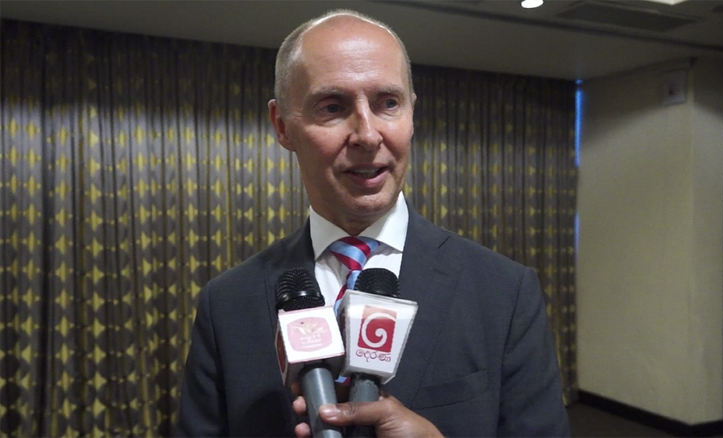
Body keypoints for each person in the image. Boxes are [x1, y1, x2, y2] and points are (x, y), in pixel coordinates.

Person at [176, 9, 570, 438]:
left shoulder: (505, 293)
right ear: (282, 126)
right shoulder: (226, 304)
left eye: (388, 103)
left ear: (412, 114)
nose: (367, 135)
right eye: (333, 107)